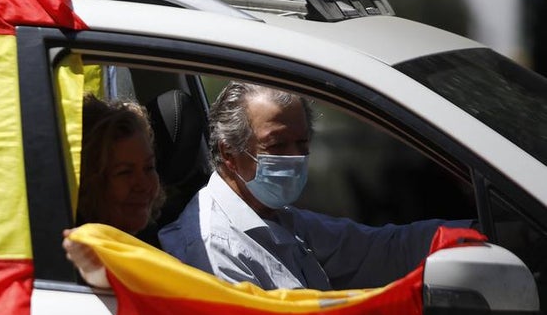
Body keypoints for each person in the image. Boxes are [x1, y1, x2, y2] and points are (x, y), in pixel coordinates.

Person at [155, 81, 472, 290]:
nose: (295, 157)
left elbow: (383, 249)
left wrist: (476, 234)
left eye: (302, 142)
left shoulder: (279, 218)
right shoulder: (212, 248)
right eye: (277, 145)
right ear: (229, 152)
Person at [75, 93, 165, 245]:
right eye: (125, 172)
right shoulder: (84, 260)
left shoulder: (153, 242)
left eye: (149, 168)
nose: (143, 184)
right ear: (88, 182)